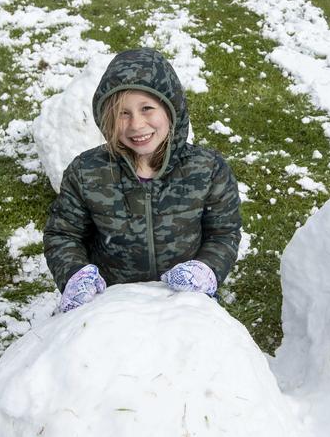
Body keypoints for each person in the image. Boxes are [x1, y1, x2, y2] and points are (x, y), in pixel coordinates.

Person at [43, 48, 241, 312]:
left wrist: (206, 269)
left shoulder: (208, 170)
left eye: (147, 108)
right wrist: (75, 275)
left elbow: (223, 233)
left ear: (172, 110)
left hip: (182, 301)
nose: (136, 125)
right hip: (110, 303)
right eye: (122, 113)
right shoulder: (87, 172)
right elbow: (63, 234)